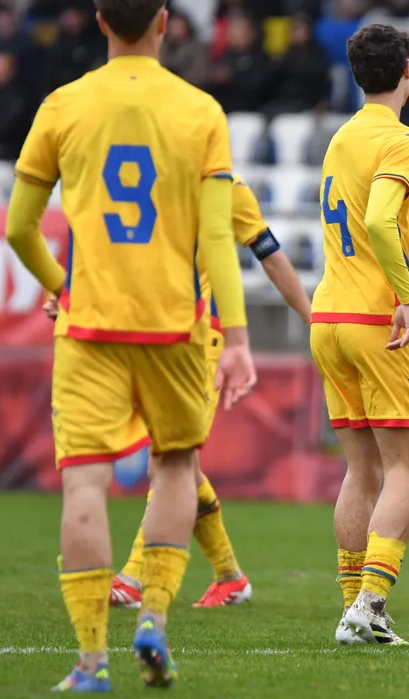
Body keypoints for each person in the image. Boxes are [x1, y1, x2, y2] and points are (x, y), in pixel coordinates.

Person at [5, 0, 255, 690]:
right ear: (165, 21)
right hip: (175, 325)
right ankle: (154, 619)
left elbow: (21, 228)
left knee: (84, 482)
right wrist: (236, 338)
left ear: (98, 20)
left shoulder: (62, 104)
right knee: (175, 465)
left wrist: (62, 285)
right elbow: (217, 239)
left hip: (90, 327)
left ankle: (91, 660)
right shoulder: (201, 110)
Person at [103, 175, 311, 610]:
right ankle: (230, 577)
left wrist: (312, 319)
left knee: (169, 459)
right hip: (152, 337)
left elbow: (270, 257)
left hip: (200, 342)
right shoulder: (154, 174)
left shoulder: (227, 187)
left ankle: (134, 577)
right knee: (182, 464)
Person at [309, 23, 409, 647]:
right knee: (403, 468)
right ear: (408, 72)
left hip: (329, 318)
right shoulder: (403, 139)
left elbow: (389, 230)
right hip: (377, 320)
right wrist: (407, 296)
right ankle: (369, 605)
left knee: (360, 469)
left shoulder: (342, 137)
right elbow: (378, 224)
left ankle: (353, 609)